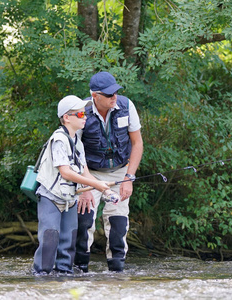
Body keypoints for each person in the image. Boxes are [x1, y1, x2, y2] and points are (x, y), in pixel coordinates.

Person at [32, 95, 115, 275]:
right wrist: (97, 184)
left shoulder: (77, 141)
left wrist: (105, 189)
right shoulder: (59, 139)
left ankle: (64, 276)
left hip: (70, 199)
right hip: (50, 198)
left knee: (68, 242)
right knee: (49, 241)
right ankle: (41, 278)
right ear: (66, 117)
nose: (85, 117)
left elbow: (84, 172)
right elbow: (66, 172)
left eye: (84, 113)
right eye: (79, 114)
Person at [74, 71, 143, 273]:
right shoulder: (81, 111)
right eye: (109, 94)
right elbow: (75, 150)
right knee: (84, 221)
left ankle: (116, 273)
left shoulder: (126, 106)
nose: (114, 97)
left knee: (118, 224)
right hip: (89, 173)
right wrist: (86, 185)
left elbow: (137, 143)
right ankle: (80, 270)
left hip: (120, 172)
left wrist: (129, 178)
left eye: (115, 93)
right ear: (95, 96)